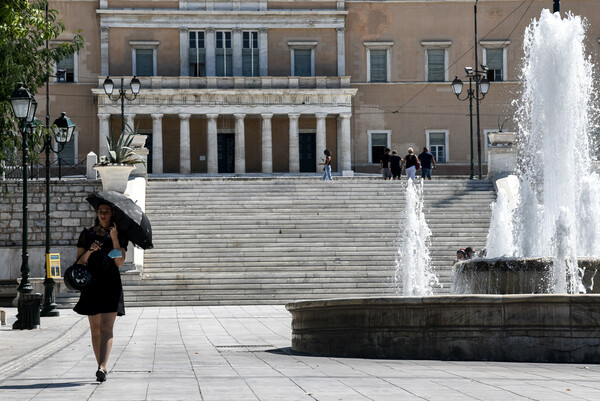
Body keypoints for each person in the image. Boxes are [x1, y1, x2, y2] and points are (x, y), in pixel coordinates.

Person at [74, 202, 128, 382]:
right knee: (95, 329)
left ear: (112, 214)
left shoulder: (120, 234)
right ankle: (101, 367)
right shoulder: (87, 234)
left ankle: (103, 367)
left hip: (111, 284)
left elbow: (119, 261)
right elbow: (79, 263)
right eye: (100, 211)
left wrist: (114, 237)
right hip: (92, 284)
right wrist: (90, 251)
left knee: (107, 327)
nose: (103, 215)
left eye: (106, 212)